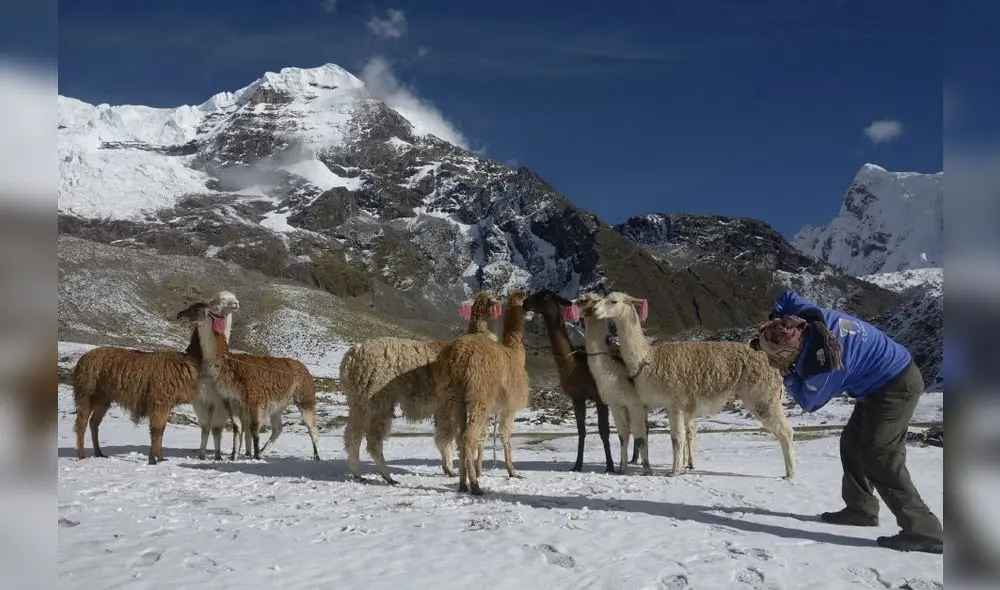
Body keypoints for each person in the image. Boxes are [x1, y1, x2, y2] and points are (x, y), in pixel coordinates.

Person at [750, 290, 943, 554]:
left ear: (789, 353)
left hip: (896, 386)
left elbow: (810, 403)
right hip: (881, 380)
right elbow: (786, 295)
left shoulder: (826, 365)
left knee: (879, 455)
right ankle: (861, 510)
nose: (770, 360)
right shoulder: (810, 318)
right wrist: (776, 318)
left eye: (775, 356)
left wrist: (787, 374)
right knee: (852, 443)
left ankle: (925, 531)